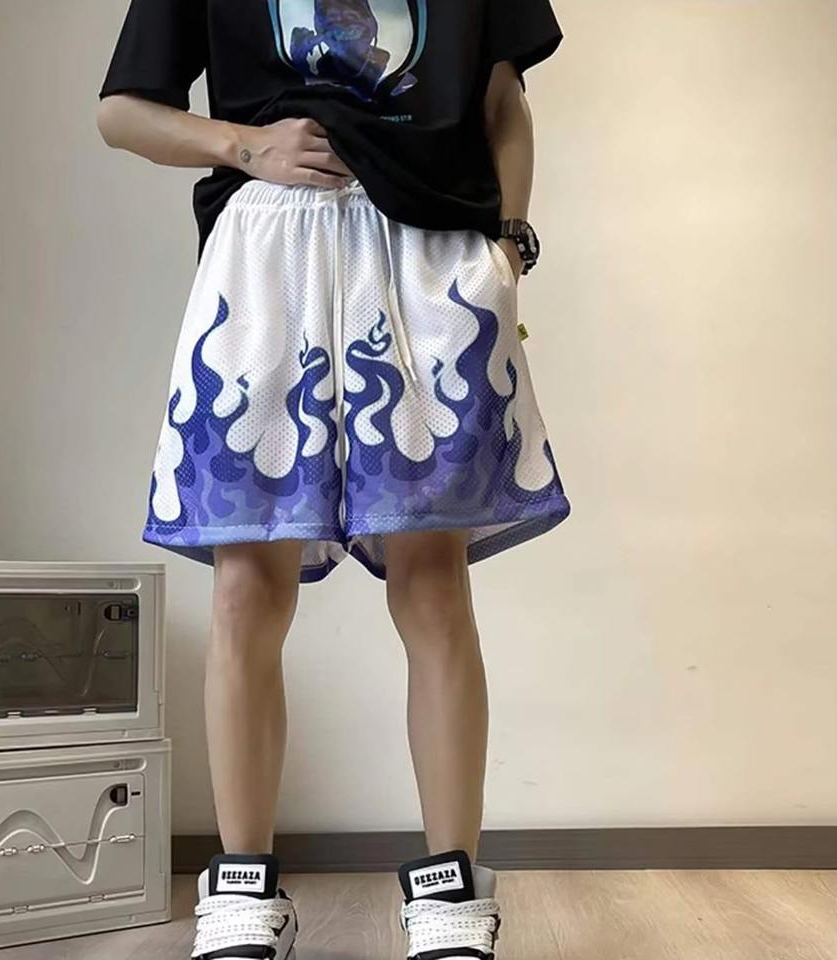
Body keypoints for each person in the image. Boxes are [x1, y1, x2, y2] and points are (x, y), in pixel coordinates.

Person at [98, 1, 569, 957]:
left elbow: (502, 99)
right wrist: (244, 144)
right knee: (246, 582)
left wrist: (509, 244)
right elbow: (123, 111)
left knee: (432, 578)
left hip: (431, 247)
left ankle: (449, 888)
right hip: (266, 248)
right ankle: (242, 888)